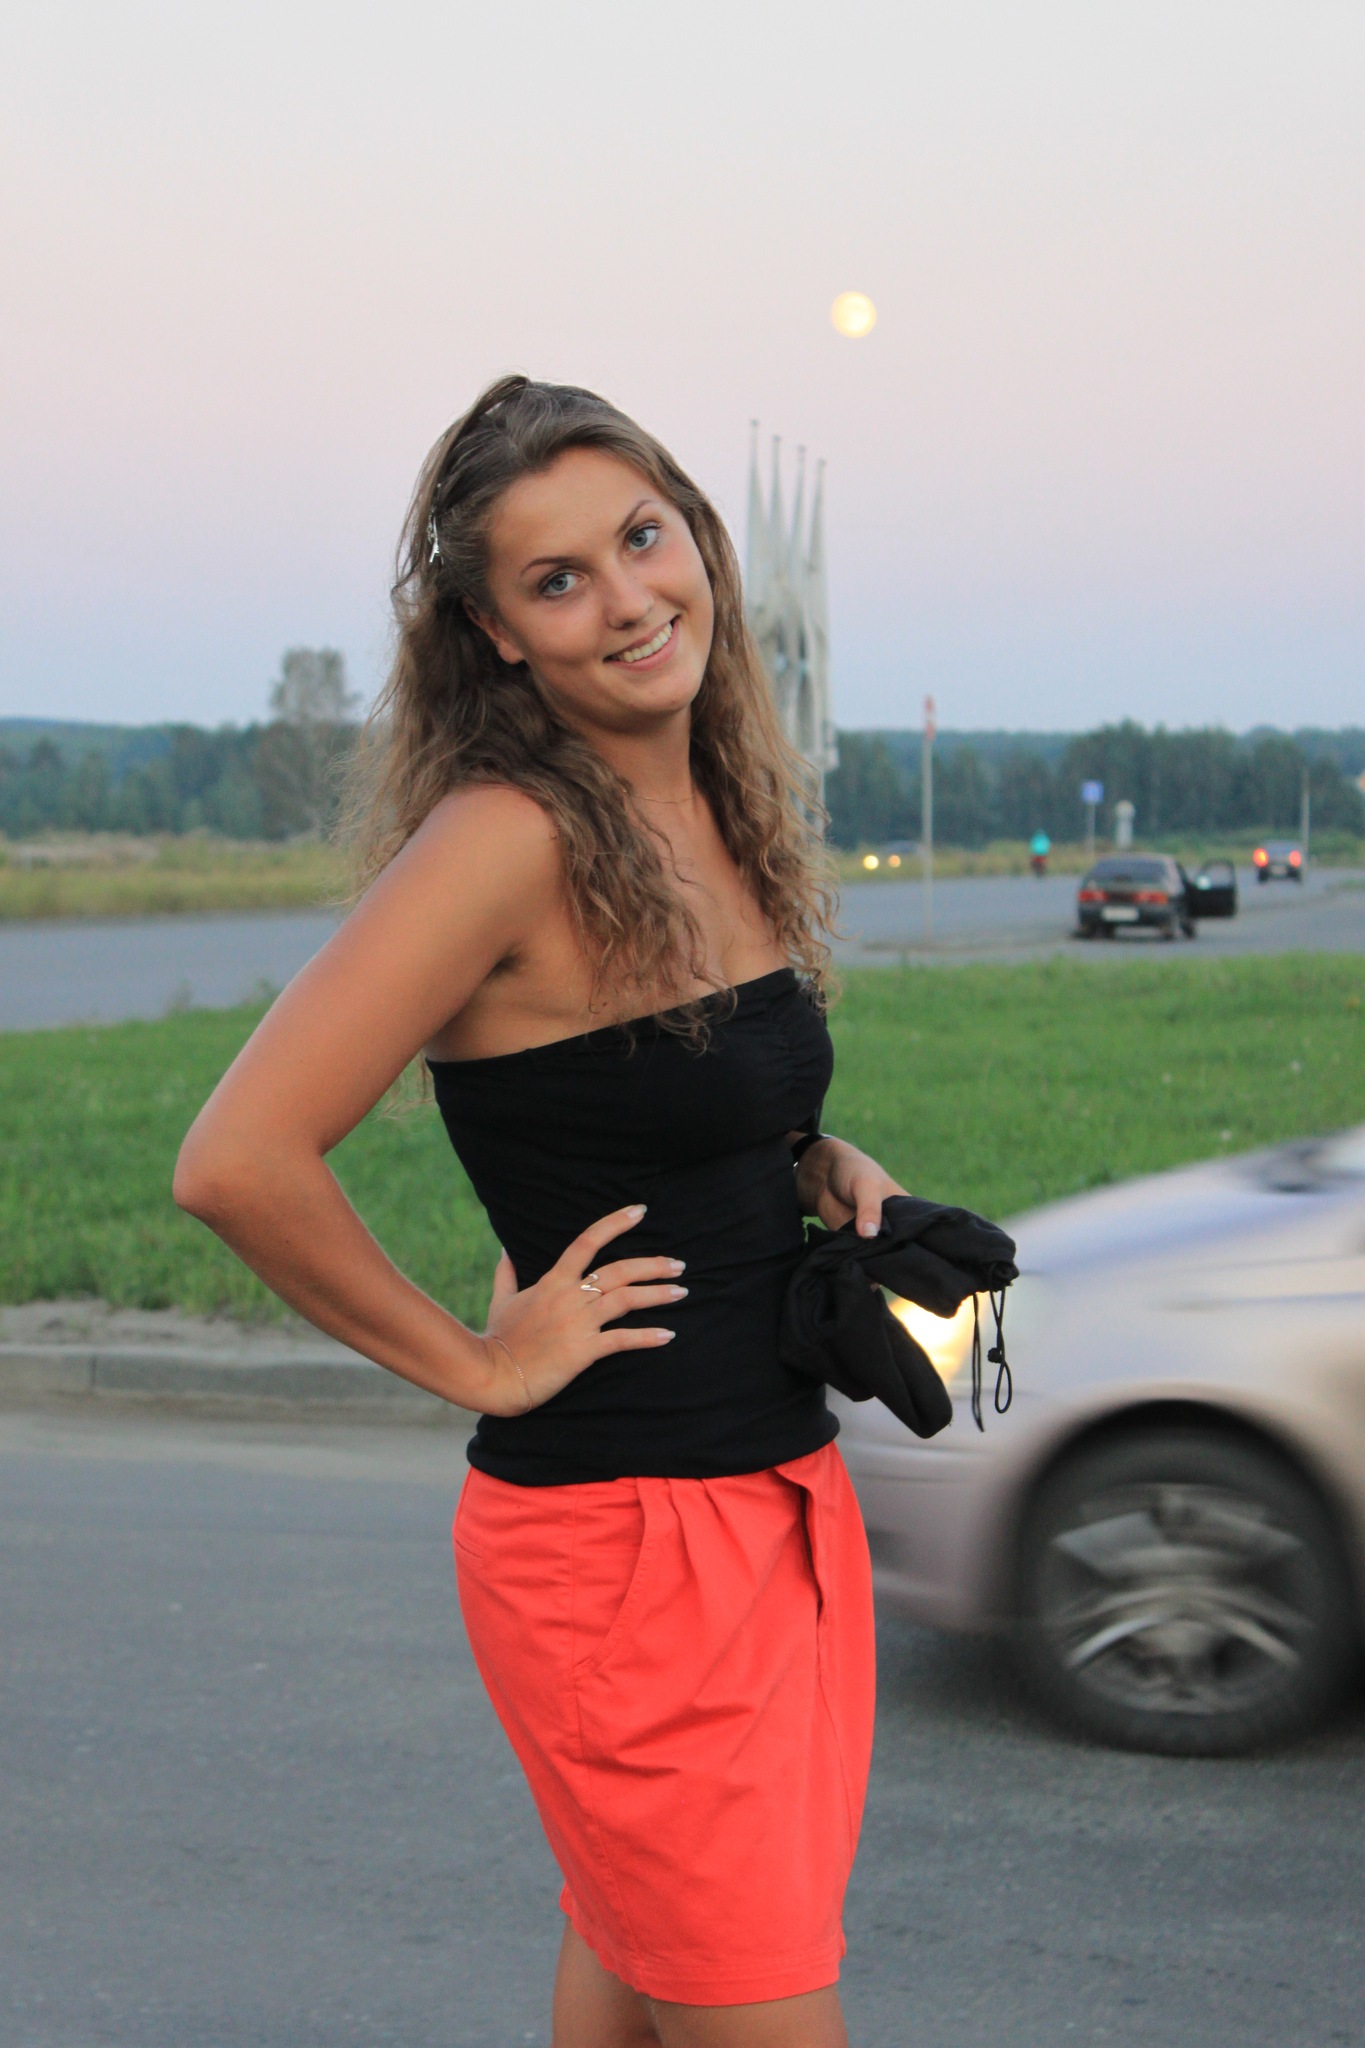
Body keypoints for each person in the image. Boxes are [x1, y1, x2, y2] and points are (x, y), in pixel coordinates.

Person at [174, 375, 907, 2048]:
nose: (628, 599)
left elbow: (624, 1095)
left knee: (638, 1979)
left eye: (641, 538)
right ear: (496, 635)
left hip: (775, 1501)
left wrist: (807, 1156)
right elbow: (238, 1157)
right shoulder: (502, 839)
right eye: (557, 580)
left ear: (695, 535)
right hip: (626, 1551)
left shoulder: (703, 802)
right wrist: (480, 1364)